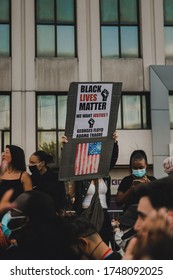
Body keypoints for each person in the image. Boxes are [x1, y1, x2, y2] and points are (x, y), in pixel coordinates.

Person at [62, 130, 119, 245]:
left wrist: (115, 142)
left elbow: (112, 159)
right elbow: (69, 162)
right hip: (86, 215)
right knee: (87, 247)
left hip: (103, 215)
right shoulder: (81, 174)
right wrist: (65, 147)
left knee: (103, 245)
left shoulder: (104, 174)